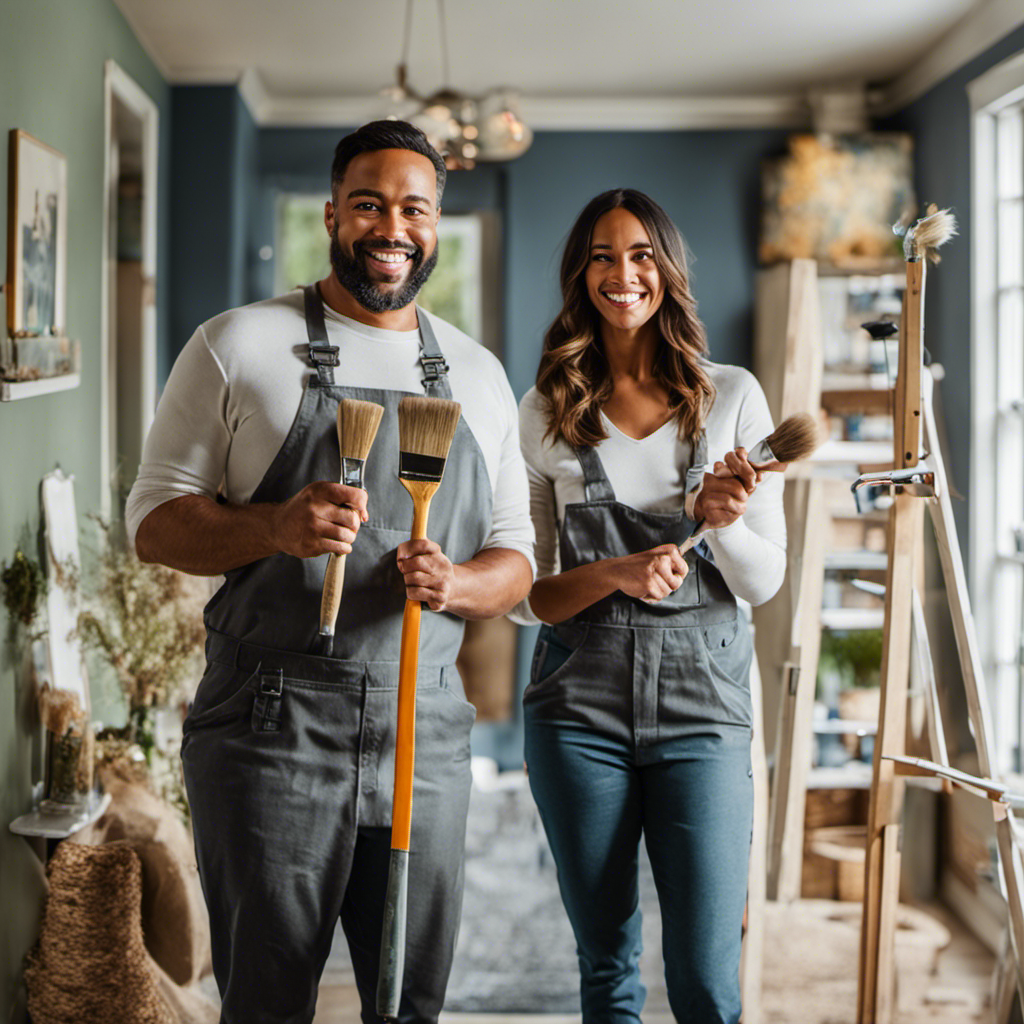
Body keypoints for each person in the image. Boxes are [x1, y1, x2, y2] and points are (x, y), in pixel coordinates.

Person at [125, 120, 534, 1024]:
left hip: (423, 725)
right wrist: (274, 525)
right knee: (267, 1001)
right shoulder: (238, 344)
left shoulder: (478, 375)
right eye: (369, 204)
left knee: (406, 1000)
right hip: (271, 723)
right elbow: (152, 525)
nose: (392, 226)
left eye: (414, 208)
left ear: (437, 222)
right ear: (332, 216)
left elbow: (518, 563)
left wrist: (456, 584)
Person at [510, 188, 786, 1024]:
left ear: (666, 270)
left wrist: (723, 525)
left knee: (706, 980)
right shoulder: (547, 412)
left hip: (704, 714)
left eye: (639, 255)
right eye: (601, 256)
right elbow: (528, 593)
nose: (622, 274)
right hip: (576, 712)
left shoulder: (730, 397)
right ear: (579, 274)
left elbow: (763, 582)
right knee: (608, 965)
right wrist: (617, 573)